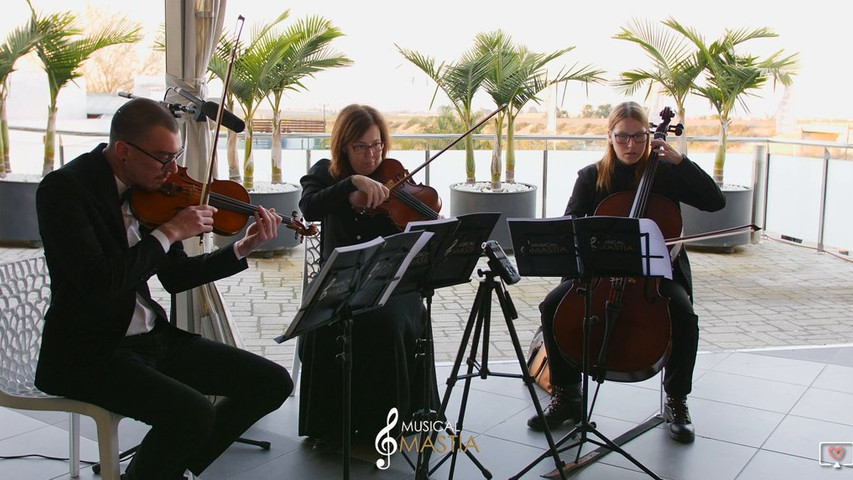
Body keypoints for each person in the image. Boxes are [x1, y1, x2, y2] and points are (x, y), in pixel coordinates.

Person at [34, 97, 293, 480]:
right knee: (192, 413)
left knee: (271, 383)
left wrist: (243, 247)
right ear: (123, 151)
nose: (171, 170)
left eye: (176, 157)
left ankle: (171, 471)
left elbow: (176, 278)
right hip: (91, 351)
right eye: (162, 158)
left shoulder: (152, 194)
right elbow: (98, 282)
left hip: (152, 338)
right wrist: (169, 232)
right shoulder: (64, 191)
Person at [528, 101, 725, 443]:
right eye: (623, 137)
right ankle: (568, 395)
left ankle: (676, 400)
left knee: (683, 316)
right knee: (551, 306)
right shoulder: (591, 177)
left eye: (638, 137)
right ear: (610, 136)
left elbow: (715, 201)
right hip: (597, 274)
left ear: (649, 135)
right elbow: (571, 222)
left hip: (656, 277)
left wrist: (680, 162)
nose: (631, 145)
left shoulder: (665, 174)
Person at [297, 104, 436, 444]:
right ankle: (330, 426)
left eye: (377, 145)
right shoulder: (325, 174)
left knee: (386, 324)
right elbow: (309, 205)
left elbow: (424, 218)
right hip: (340, 280)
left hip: (391, 282)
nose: (372, 155)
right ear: (344, 146)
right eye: (361, 147)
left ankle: (386, 424)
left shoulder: (395, 176)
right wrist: (350, 184)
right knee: (320, 324)